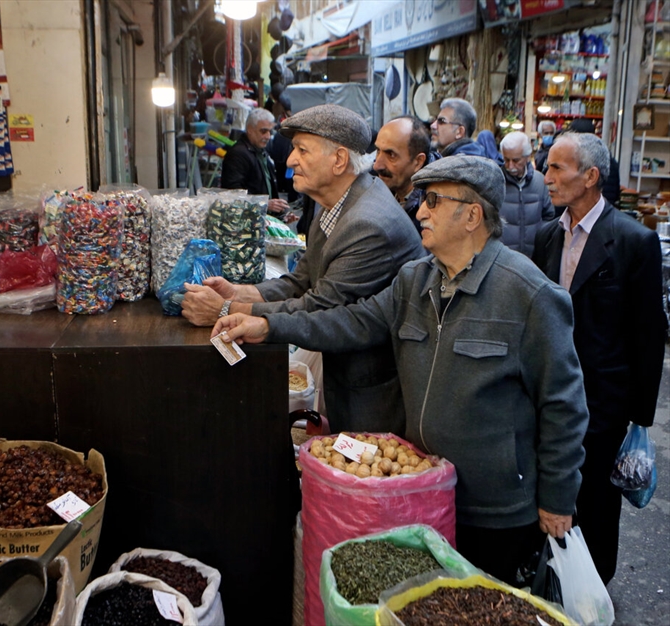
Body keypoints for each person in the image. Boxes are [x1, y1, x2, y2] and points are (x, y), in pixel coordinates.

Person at [213, 155, 589, 586]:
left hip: (494, 510)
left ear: (472, 215)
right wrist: (268, 325)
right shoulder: (415, 279)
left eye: (432, 200)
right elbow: (352, 320)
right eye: (420, 200)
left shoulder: (530, 295)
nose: (420, 212)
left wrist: (559, 498)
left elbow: (563, 404)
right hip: (422, 491)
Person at [183, 104, 424, 432]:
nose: (290, 160)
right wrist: (241, 292)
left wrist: (227, 309)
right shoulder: (335, 203)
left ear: (338, 160)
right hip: (348, 376)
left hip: (375, 392)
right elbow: (302, 280)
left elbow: (319, 304)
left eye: (301, 150)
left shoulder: (368, 223)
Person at [532, 132, 667, 585]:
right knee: (552, 490)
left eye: (556, 168)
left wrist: (640, 419)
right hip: (550, 394)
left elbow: (650, 334)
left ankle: (594, 587)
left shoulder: (633, 241)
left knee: (595, 501)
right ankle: (550, 579)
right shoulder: (547, 237)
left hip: (603, 401)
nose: (546, 177)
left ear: (590, 177)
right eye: (546, 167)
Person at [373, 115, 440, 233]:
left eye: (391, 155)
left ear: (418, 162)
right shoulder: (379, 191)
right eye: (378, 151)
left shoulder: (435, 209)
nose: (377, 165)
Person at [220, 107, 289, 218]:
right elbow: (233, 194)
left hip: (262, 219)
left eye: (269, 131)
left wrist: (280, 215)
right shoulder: (238, 154)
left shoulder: (261, 150)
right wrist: (264, 204)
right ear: (250, 130)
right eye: (263, 131)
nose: (267, 136)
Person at [498, 131, 554, 256]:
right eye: (506, 160)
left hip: (535, 256)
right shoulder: (496, 182)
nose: (510, 166)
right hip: (504, 257)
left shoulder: (540, 181)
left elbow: (549, 215)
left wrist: (540, 239)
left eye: (516, 160)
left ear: (527, 157)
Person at [567, 118, 621, 206]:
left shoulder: (578, 160)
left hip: (587, 210)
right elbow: (615, 193)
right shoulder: (607, 157)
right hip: (605, 209)